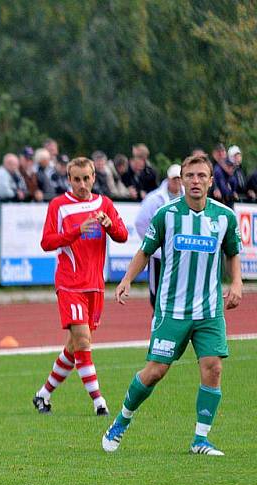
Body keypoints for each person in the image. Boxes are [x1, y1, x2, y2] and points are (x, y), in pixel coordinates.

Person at [103, 154, 242, 456]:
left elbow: (232, 253)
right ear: (181, 179)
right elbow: (145, 250)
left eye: (201, 176)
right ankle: (121, 420)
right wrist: (127, 279)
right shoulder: (166, 215)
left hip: (209, 309)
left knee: (213, 368)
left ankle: (200, 440)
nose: (195, 181)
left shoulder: (224, 217)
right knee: (155, 371)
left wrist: (237, 283)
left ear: (210, 180)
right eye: (189, 175)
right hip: (172, 310)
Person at [33, 156, 128, 416]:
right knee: (84, 341)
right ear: (69, 179)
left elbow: (123, 235)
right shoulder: (59, 205)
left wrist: (111, 226)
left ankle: (43, 395)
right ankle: (100, 403)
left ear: (94, 177)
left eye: (87, 178)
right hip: (70, 283)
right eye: (77, 179)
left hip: (95, 285)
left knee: (75, 345)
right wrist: (76, 231)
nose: (82, 184)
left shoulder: (104, 203)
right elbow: (47, 242)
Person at [134, 164, 183, 308]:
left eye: (180, 178)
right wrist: (153, 243)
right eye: (175, 179)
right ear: (168, 179)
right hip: (159, 255)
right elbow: (140, 222)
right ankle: (157, 319)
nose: (178, 182)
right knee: (157, 294)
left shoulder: (188, 197)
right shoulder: (154, 199)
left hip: (181, 253)